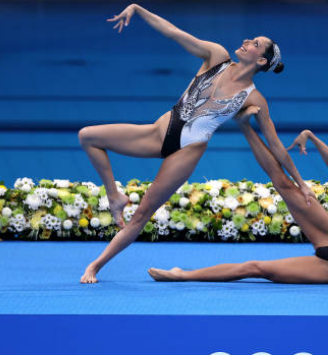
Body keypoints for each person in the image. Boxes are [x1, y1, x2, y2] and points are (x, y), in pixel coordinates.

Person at [79, 4, 314, 284]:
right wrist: (138, 10)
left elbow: (275, 146)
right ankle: (114, 197)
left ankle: (95, 266)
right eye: (250, 39)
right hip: (158, 133)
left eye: (255, 44)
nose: (246, 42)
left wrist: (301, 182)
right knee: (88, 136)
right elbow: (174, 33)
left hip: (188, 150)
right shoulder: (217, 56)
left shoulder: (255, 100)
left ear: (261, 61)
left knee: (143, 213)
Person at [148, 107, 328, 289]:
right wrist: (311, 136)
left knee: (255, 268)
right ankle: (244, 125)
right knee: (285, 185)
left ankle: (183, 275)